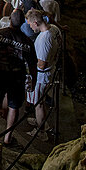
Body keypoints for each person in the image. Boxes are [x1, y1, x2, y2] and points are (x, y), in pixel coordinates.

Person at [0, 10, 37, 146]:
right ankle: (7, 138)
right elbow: (33, 65)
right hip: (17, 77)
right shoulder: (27, 41)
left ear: (9, 19)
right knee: (14, 106)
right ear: (23, 23)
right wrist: (33, 80)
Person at [25, 9, 62, 141]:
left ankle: (41, 131)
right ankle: (39, 120)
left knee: (38, 104)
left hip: (41, 77)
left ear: (35, 22)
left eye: (30, 24)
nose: (29, 26)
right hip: (51, 71)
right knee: (41, 101)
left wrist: (29, 64)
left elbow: (41, 64)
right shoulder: (55, 29)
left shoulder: (44, 39)